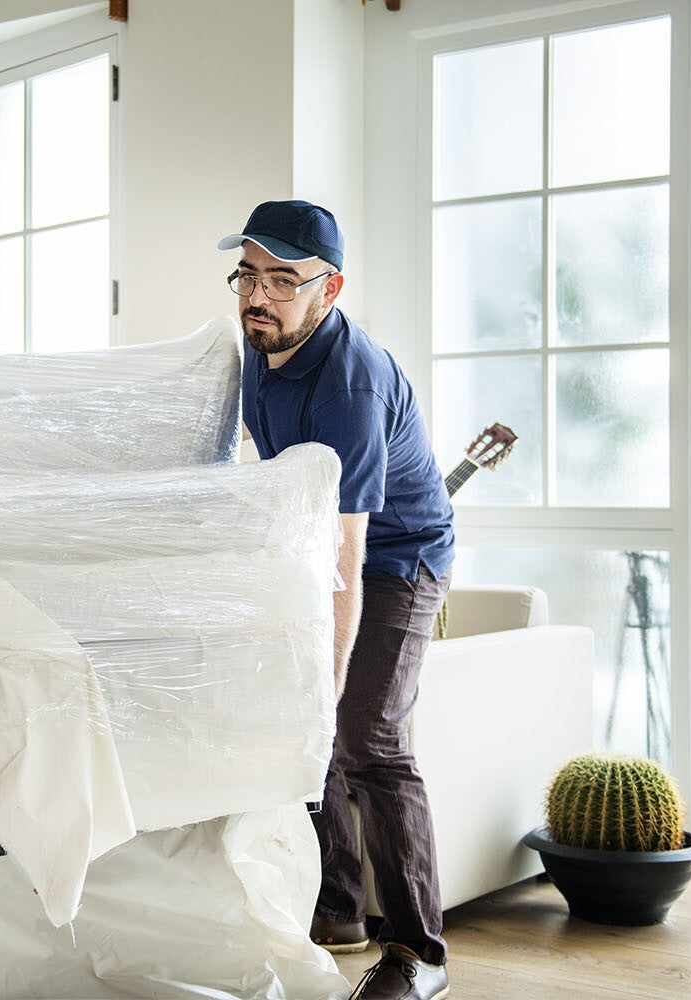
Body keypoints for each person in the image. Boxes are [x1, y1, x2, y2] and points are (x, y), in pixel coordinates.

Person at [217, 200, 455, 1000]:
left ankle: (419, 955)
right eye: (249, 274)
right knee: (304, 720)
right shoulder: (261, 344)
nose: (259, 296)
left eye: (284, 280)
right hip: (313, 546)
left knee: (366, 735)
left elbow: (349, 559)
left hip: (397, 557)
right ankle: (338, 908)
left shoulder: (351, 384)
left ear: (331, 288)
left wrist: (325, 680)